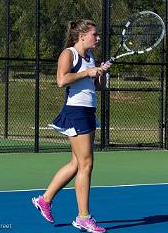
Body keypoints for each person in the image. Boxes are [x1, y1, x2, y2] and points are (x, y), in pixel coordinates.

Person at [31, 19, 111, 233]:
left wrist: (101, 73)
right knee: (87, 164)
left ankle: (44, 200)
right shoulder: (69, 54)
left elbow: (97, 87)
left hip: (88, 111)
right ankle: (83, 217)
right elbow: (61, 80)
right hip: (75, 112)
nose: (98, 38)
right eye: (95, 34)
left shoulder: (91, 57)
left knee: (77, 164)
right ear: (82, 36)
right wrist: (87, 72)